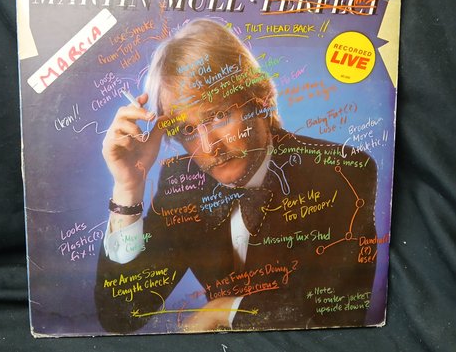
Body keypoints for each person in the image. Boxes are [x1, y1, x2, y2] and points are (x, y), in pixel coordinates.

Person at [95, 19, 378, 334]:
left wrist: (224, 312)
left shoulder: (341, 171)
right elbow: (120, 316)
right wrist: (128, 186)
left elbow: (336, 313)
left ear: (260, 98)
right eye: (188, 129)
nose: (209, 147)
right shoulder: (181, 183)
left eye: (219, 115)